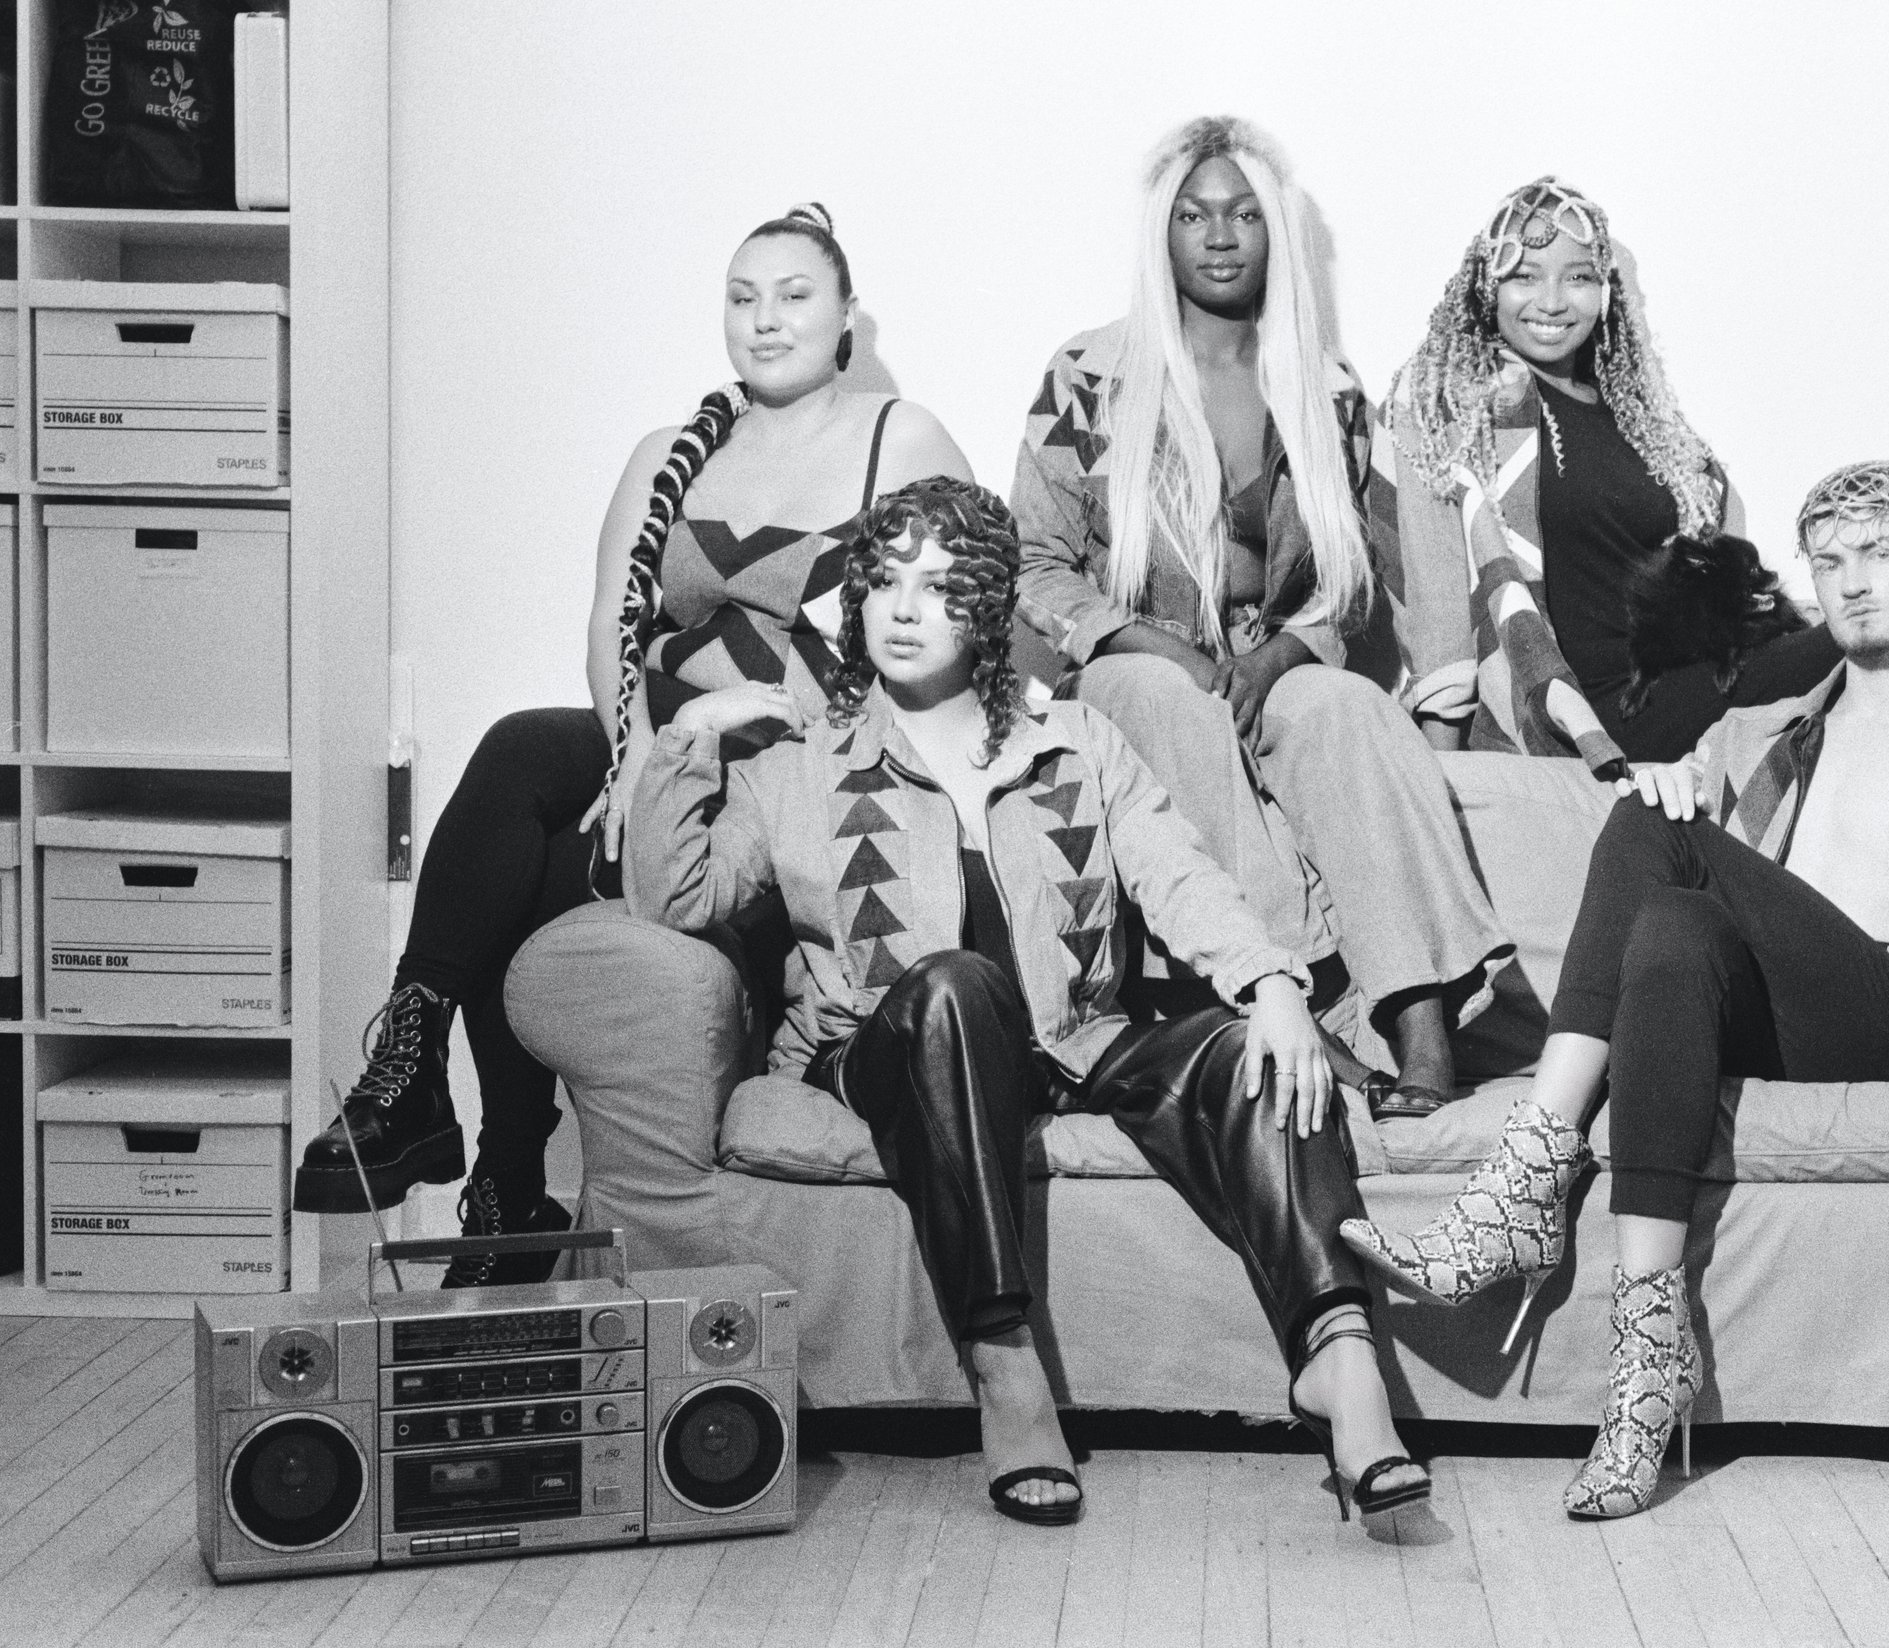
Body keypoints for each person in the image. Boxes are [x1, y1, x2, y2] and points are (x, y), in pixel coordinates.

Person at [1343, 461, 1889, 1520]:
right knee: (1673, 915)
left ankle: (1520, 1189)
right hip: (1776, 1011)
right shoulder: (1759, 731)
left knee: (1655, 827)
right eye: (1830, 563)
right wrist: (1671, 773)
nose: (1854, 582)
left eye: (1880, 553)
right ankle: (1647, 1368)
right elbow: (1682, 890)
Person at [630, 476, 1430, 1527]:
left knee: (1259, 1048)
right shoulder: (800, 762)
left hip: (1070, 1039)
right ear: (856, 602)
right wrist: (693, 731)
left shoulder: (1077, 741)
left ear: (991, 605)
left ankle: (1341, 1361)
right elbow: (673, 896)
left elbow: (1178, 876)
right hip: (887, 1040)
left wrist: (1275, 984)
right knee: (956, 987)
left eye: (942, 584)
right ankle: (1005, 1368)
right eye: (885, 583)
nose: (906, 608)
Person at [289, 204, 971, 1287]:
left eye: (793, 294)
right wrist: (637, 758)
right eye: (741, 297)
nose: (765, 318)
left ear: (846, 314)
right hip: (654, 751)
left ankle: (504, 1178)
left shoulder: (902, 438)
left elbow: (958, 619)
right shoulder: (670, 451)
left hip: (785, 780)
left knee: (535, 876)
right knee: (520, 754)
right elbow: (612, 629)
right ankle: (413, 1071)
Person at [1013, 115, 1510, 1117]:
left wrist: (1287, 649)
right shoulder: (1086, 375)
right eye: (1194, 215)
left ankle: (1420, 1018)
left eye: (1243, 213)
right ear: (1163, 234)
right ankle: (1289, 1000)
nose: (1219, 234)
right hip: (1128, 661)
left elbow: (1348, 576)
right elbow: (1034, 563)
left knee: (1350, 711)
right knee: (1161, 695)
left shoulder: (1323, 387)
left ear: (1273, 233)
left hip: (1264, 660)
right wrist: (1141, 638)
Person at [1372, 176, 1841, 773]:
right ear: (1486, 288)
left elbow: (1719, 556)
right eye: (1524, 275)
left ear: (1605, 290)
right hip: (1598, 709)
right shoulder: (1457, 404)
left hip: (1693, 675)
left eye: (1578, 276)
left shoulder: (1639, 418)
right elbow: (1436, 597)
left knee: (1878, 638)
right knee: (1864, 638)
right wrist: (1446, 775)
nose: (1552, 300)